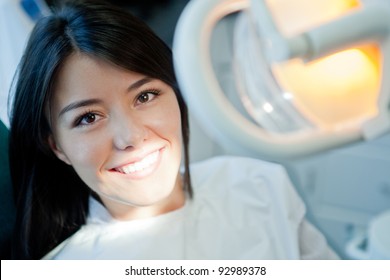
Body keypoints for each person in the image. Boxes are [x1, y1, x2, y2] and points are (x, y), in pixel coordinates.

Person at [8, 0, 338, 260]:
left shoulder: (261, 186)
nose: (132, 138)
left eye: (145, 96)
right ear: (57, 147)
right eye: (88, 118)